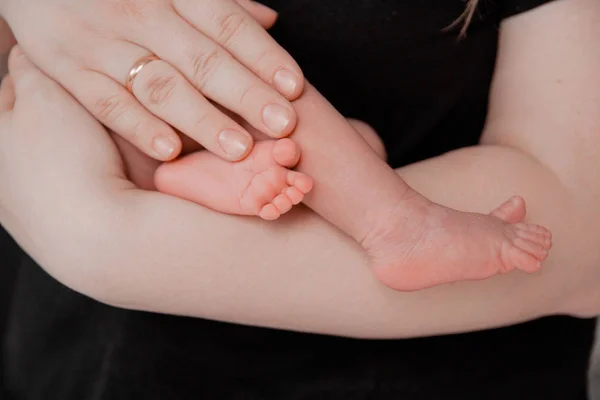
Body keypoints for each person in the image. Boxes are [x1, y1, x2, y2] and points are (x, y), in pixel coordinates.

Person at [1, 0, 600, 399]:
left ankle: (369, 212)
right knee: (211, 55)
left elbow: (586, 235)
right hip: (58, 354)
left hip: (412, 378)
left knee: (223, 50)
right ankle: (385, 218)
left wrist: (102, 238)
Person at [2, 0, 553, 291]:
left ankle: (208, 173)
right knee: (226, 53)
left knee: (349, 137)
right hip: (66, 107)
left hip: (103, 137)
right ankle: (396, 224)